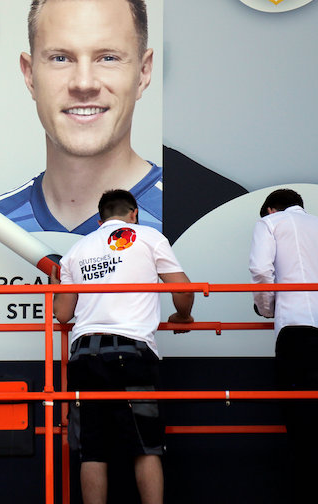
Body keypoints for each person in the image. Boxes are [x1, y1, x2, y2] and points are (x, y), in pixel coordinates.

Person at [0, 0, 162, 273]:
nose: (84, 83)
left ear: (143, 72)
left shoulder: (196, 221)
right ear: (29, 75)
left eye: (108, 58)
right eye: (60, 58)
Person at [54, 189, 194, 504]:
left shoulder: (77, 249)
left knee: (92, 449)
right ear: (134, 214)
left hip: (83, 354)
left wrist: (55, 290)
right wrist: (182, 316)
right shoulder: (147, 237)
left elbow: (62, 314)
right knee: (146, 445)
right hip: (132, 352)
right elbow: (183, 290)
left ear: (100, 218)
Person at [248, 188, 318, 504]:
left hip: (298, 333)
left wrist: (267, 308)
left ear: (272, 210)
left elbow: (260, 270)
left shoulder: (272, 223)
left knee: (301, 431)